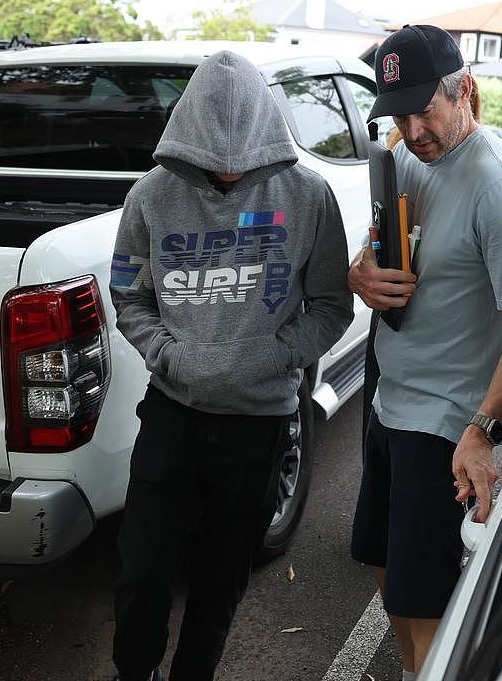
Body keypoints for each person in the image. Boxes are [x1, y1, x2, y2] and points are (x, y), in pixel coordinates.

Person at [109, 50, 354, 681]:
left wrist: (276, 357)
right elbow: (129, 292)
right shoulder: (151, 197)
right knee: (141, 578)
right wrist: (165, 352)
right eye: (211, 162)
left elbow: (331, 305)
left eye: (239, 162)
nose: (225, 170)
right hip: (171, 416)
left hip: (259, 425)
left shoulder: (308, 196)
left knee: (220, 586)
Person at [348, 25, 502, 678]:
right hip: (389, 404)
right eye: (398, 114)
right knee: (386, 570)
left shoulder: (498, 186)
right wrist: (361, 277)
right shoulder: (408, 159)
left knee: (430, 602)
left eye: (423, 110)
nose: (411, 130)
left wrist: (481, 431)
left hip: (444, 427)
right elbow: (377, 251)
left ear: (464, 90)